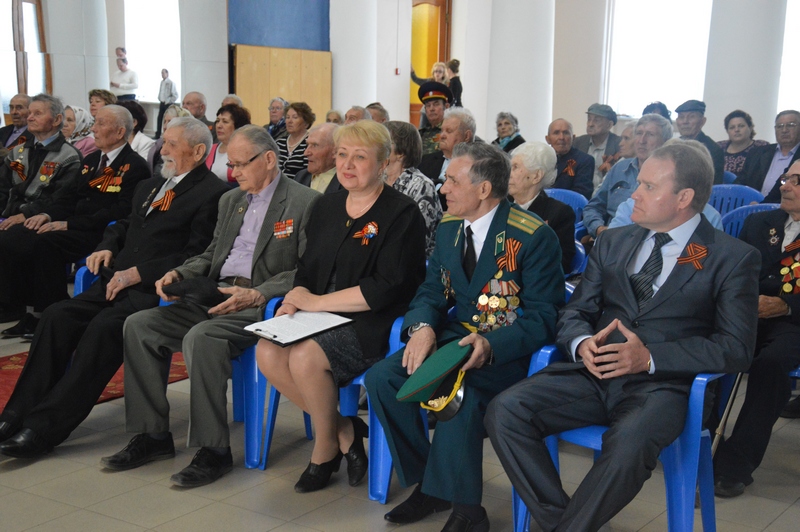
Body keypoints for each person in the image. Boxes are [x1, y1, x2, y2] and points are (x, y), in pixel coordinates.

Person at [485, 141, 761, 532]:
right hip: (593, 374)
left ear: (684, 198)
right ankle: (564, 522)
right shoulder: (614, 242)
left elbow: (736, 348)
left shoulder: (731, 257)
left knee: (629, 442)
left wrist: (649, 358)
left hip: (663, 387)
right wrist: (581, 343)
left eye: (648, 186)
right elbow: (576, 311)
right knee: (506, 409)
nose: (634, 194)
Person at [103, 124, 320, 487]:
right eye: (230, 165)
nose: (233, 173)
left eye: (241, 164)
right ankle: (152, 435)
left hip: (259, 302)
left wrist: (259, 293)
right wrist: (180, 272)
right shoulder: (231, 200)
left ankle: (213, 450)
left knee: (202, 338)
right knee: (139, 326)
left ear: (269, 159)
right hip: (215, 293)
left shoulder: (304, 202)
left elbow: (308, 269)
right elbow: (210, 254)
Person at [0, 117, 229, 456]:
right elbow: (123, 225)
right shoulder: (152, 185)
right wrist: (107, 245)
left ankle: (43, 428)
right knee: (56, 316)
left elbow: (197, 254)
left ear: (197, 152)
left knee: (103, 330)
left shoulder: (212, 194)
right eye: (163, 142)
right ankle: (15, 414)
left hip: (151, 290)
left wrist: (140, 273)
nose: (162, 150)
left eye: (172, 144)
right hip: (114, 281)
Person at [366, 142, 563, 532]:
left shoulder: (532, 236)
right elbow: (432, 291)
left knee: (461, 393)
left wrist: (491, 345)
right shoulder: (450, 228)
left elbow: (545, 317)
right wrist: (422, 327)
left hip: (507, 350)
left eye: (453, 181)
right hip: (457, 338)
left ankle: (468, 511)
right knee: (383, 378)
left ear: (484, 189)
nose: (443, 189)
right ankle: (432, 484)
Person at [256, 120, 427, 493]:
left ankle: (325, 449)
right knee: (267, 351)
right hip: (315, 315)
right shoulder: (327, 205)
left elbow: (386, 288)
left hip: (372, 321)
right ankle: (345, 430)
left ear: (383, 164)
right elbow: (307, 268)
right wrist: (293, 300)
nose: (347, 165)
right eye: (342, 155)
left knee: (304, 357)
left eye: (360, 157)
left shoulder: (401, 213)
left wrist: (316, 302)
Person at [0, 105, 150, 339]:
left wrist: (69, 224)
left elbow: (120, 211)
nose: (93, 129)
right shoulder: (92, 159)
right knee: (15, 236)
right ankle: (22, 307)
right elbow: (69, 198)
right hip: (74, 224)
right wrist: (46, 215)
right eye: (94, 122)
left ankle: (48, 312)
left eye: (100, 123)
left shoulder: (134, 165)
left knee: (44, 243)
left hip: (100, 232)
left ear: (120, 132)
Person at [713, 160, 800, 498]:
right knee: (710, 344)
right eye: (786, 178)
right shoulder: (759, 222)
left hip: (794, 321)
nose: (785, 185)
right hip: (747, 312)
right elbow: (735, 271)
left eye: (796, 181)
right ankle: (701, 441)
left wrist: (787, 304)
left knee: (771, 364)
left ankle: (736, 464)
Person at [0, 94, 83, 323]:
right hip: (11, 215)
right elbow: (3, 188)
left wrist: (25, 214)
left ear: (56, 120)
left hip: (42, 217)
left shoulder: (69, 156)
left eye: (37, 113)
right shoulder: (18, 152)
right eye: (30, 113)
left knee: (8, 239)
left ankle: (11, 305)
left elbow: (61, 198)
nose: (30, 117)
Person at [582, 113, 672, 238]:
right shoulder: (619, 169)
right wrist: (598, 228)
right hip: (609, 238)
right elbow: (593, 207)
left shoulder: (670, 176)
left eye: (650, 134)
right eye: (639, 133)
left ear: (665, 141)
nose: (642, 140)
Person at [509, 141, 575, 272]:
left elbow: (562, 262)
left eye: (515, 167)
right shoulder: (500, 205)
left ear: (536, 176)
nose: (508, 173)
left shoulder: (559, 213)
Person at [384, 120, 443, 257]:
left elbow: (418, 240)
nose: (377, 147)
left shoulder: (422, 185)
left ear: (401, 153)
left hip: (412, 261)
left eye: (384, 142)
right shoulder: (377, 180)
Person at [735, 110, 800, 200]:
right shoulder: (757, 153)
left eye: (790, 125)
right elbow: (740, 183)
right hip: (751, 205)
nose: (784, 130)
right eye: (780, 126)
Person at [418, 107, 476, 188]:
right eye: (442, 131)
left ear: (466, 136)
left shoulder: (477, 166)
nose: (442, 136)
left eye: (449, 131)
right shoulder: (425, 162)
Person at [674, 100, 725, 184]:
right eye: (681, 117)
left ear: (702, 121)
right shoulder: (673, 146)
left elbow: (712, 184)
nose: (685, 122)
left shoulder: (713, 150)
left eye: (691, 117)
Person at [573, 103, 622, 190]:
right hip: (581, 191)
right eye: (589, 119)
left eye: (597, 120)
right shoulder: (577, 142)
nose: (590, 124)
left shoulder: (620, 145)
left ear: (609, 125)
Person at [545, 118, 594, 200]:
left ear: (573, 138)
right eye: (556, 133)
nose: (561, 137)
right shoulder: (541, 158)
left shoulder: (585, 160)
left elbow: (581, 194)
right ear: (548, 139)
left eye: (566, 133)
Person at [206, 104, 252, 184]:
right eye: (217, 121)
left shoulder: (246, 150)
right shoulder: (210, 149)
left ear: (238, 126)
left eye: (225, 122)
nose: (219, 125)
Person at [293, 123, 342, 195]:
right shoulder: (301, 177)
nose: (306, 153)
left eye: (315, 145)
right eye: (307, 145)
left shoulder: (347, 183)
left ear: (335, 151)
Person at [717, 109, 768, 177]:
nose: (736, 130)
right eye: (732, 127)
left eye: (741, 126)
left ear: (750, 128)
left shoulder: (762, 147)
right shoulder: (719, 147)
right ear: (727, 131)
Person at [148, 105, 191, 177]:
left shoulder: (184, 147)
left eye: (170, 121)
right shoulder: (158, 144)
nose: (165, 126)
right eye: (164, 121)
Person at [276, 102, 314, 180]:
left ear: (306, 123)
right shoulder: (279, 143)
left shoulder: (310, 144)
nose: (289, 121)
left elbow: (308, 174)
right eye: (287, 117)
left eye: (295, 117)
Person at [418, 81, 452, 156]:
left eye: (436, 104)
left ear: (446, 107)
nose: (431, 109)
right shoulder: (420, 134)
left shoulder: (451, 132)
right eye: (428, 105)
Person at [155, 69, 179, 139]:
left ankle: (168, 134)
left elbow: (175, 95)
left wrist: (168, 101)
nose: (162, 75)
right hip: (162, 103)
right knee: (159, 118)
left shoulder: (171, 82)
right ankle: (158, 134)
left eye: (163, 73)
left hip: (168, 104)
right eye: (161, 73)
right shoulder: (162, 82)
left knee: (168, 119)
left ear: (167, 74)